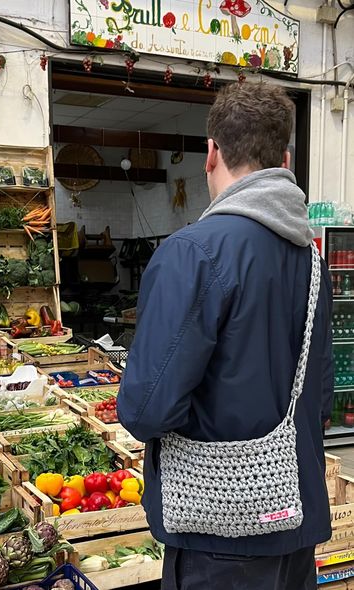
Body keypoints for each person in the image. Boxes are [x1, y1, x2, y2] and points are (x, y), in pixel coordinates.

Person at [117, 82, 334, 590]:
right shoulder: (313, 260)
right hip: (292, 514)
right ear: (283, 158)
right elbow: (319, 396)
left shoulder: (192, 252)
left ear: (211, 152)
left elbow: (146, 409)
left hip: (219, 529)